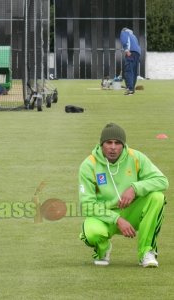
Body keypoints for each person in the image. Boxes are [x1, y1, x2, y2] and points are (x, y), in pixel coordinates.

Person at [79, 123, 168, 267]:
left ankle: (146, 252)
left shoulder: (136, 157)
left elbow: (162, 181)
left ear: (123, 145)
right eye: (109, 142)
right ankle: (103, 249)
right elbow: (87, 205)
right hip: (106, 216)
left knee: (157, 197)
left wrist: (134, 188)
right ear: (102, 144)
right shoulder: (89, 165)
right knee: (91, 233)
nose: (113, 147)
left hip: (132, 212)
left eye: (117, 143)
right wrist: (117, 219)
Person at [120, 28, 141, 95]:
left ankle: (129, 88)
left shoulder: (124, 32)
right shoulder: (134, 36)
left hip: (130, 52)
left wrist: (126, 49)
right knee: (134, 72)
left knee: (128, 70)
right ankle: (132, 89)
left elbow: (124, 40)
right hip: (137, 54)